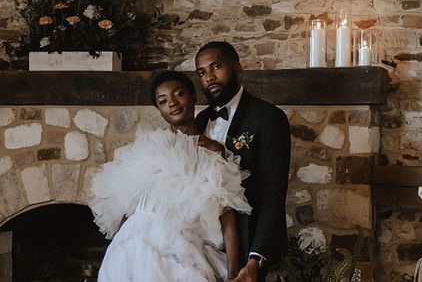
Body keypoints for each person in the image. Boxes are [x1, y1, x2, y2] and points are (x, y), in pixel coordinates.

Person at [89, 70, 251, 282]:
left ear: (193, 96)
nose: (172, 103)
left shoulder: (212, 150)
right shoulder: (150, 146)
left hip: (183, 248)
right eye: (163, 101)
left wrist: (233, 271)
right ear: (159, 110)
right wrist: (120, 247)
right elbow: (130, 208)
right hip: (134, 247)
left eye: (178, 94)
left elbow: (227, 213)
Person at [194, 41, 291, 282]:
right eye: (202, 72)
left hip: (248, 245)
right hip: (202, 244)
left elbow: (273, 193)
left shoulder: (269, 118)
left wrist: (255, 259)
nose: (210, 77)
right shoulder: (198, 121)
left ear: (237, 68)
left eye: (216, 66)